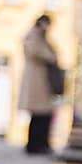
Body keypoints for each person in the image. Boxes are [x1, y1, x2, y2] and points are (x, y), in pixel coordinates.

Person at [19, 14, 60, 154]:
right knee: (40, 115)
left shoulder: (38, 36)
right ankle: (36, 145)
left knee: (42, 115)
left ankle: (38, 144)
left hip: (40, 81)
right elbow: (41, 53)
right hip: (37, 81)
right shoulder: (35, 35)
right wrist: (52, 56)